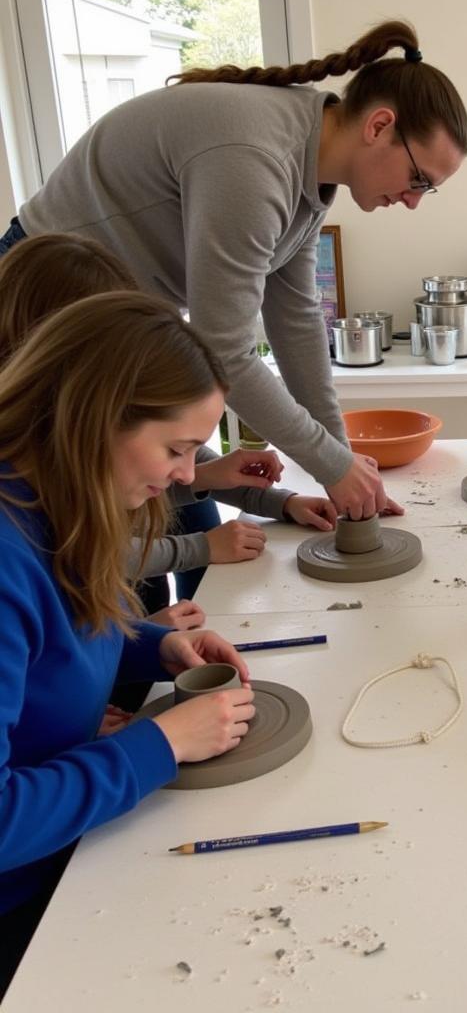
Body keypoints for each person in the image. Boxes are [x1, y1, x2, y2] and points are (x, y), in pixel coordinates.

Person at [1, 19, 467, 521]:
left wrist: (339, 459)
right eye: (419, 179)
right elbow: (224, 351)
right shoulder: (257, 160)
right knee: (124, 532)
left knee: (184, 505)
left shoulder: (310, 171)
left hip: (115, 316)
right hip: (42, 299)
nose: (413, 201)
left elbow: (295, 319)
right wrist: (332, 464)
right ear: (379, 127)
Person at [0, 291, 256, 995]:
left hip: (77, 842)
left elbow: (60, 636)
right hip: (25, 901)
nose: (185, 476)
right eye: (176, 449)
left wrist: (151, 648)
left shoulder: (56, 500)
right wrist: (162, 745)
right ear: (94, 417)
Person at [0, 234, 334, 616]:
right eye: (177, 451)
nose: (188, 469)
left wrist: (279, 501)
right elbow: (89, 556)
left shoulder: (101, 445)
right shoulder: (26, 510)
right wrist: (201, 547)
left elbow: (172, 442)